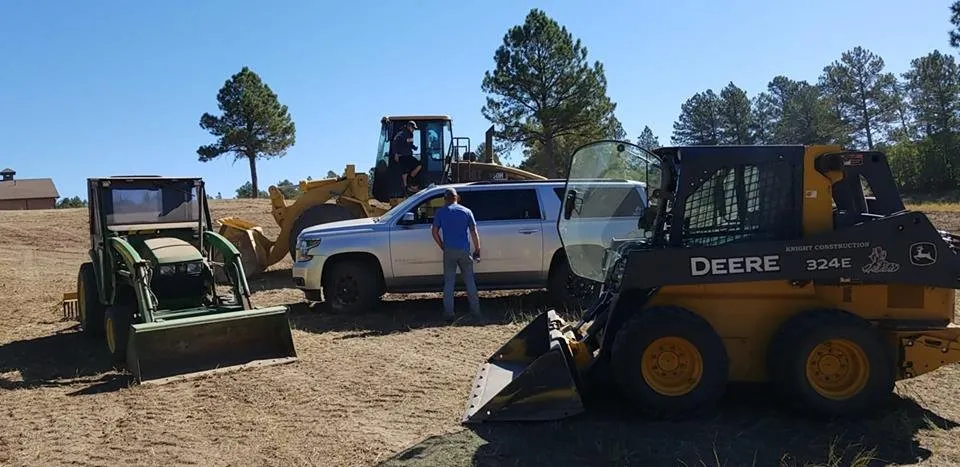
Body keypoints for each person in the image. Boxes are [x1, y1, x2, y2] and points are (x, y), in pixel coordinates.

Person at [431, 187, 482, 320]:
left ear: (445, 199)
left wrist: (442, 246)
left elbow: (434, 232)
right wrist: (477, 249)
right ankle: (475, 311)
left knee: (449, 283)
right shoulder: (466, 211)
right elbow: (474, 232)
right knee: (470, 281)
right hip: (464, 250)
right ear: (457, 198)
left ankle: (449, 314)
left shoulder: (440, 212)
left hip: (449, 250)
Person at [391, 121, 423, 193]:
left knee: (418, 165)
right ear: (409, 127)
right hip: (403, 156)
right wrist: (395, 154)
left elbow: (409, 144)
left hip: (408, 155)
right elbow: (394, 143)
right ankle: (406, 187)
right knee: (405, 171)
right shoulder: (402, 134)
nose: (413, 130)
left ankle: (410, 180)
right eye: (413, 128)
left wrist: (414, 147)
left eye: (414, 128)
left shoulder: (409, 134)